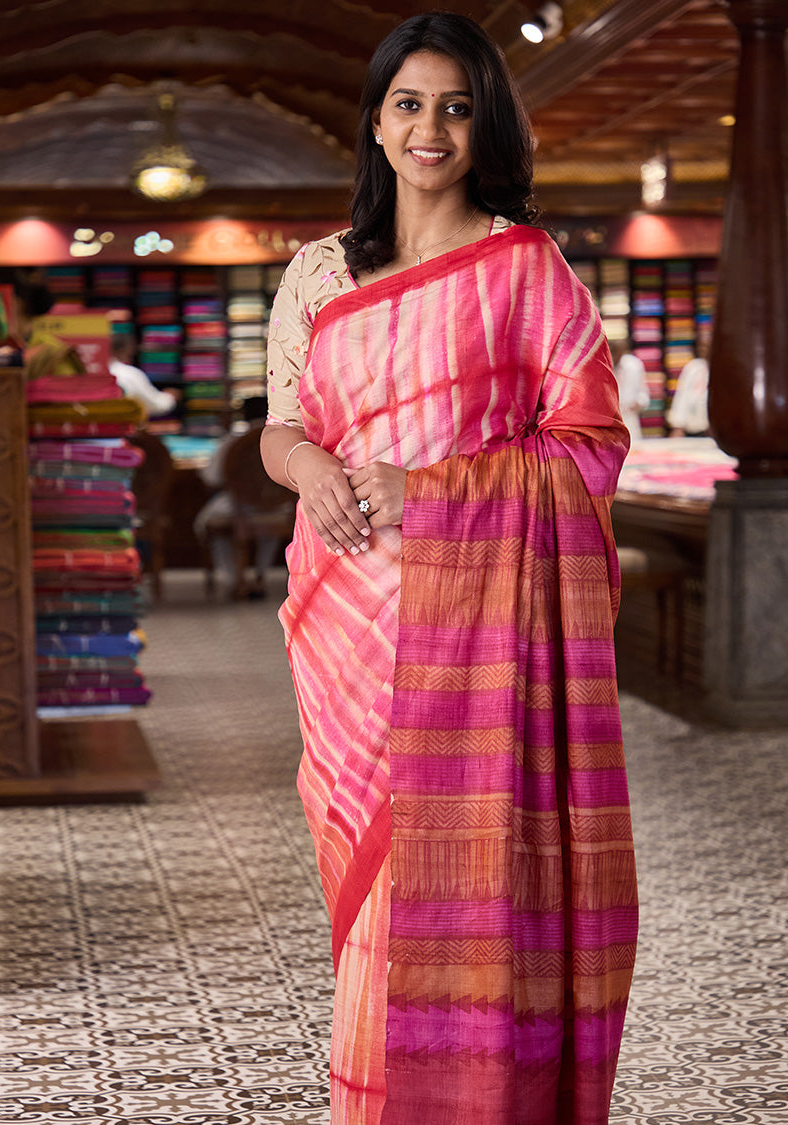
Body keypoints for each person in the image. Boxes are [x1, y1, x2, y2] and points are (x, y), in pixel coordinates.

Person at [261, 14, 637, 1124]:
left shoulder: (525, 269)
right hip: (347, 617)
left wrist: (431, 489)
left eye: (457, 107)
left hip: (478, 627)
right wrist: (313, 469)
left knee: (461, 881)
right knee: (372, 871)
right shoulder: (320, 274)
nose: (431, 128)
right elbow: (282, 428)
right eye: (410, 104)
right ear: (376, 123)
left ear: (485, 128)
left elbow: (589, 445)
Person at [193, 395, 277, 600]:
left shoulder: (233, 441)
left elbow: (211, 477)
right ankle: (259, 575)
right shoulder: (282, 440)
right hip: (277, 507)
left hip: (236, 507)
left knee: (210, 524)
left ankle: (233, 579)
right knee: (271, 523)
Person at [108, 329, 179, 419]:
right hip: (120, 427)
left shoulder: (91, 373)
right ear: (123, 349)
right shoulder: (129, 374)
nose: (132, 353)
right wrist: (170, 397)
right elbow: (155, 405)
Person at [612, 339, 651, 442]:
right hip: (611, 420)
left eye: (620, 351)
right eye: (615, 351)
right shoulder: (604, 364)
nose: (618, 354)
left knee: (634, 453)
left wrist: (639, 402)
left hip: (630, 419)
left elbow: (643, 393)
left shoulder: (634, 365)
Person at [666, 354, 710, 437]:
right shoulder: (693, 367)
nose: (704, 350)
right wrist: (678, 426)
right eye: (701, 346)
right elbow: (682, 397)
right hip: (693, 428)